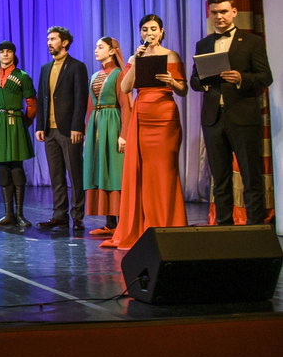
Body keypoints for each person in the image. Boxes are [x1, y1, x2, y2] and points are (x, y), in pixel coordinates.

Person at [103, 14, 189, 250]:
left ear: (161, 31)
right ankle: (143, 227)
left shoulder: (171, 55)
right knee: (141, 173)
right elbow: (125, 87)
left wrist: (172, 81)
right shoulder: (135, 57)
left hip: (165, 117)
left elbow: (183, 90)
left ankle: (167, 225)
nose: (149, 33)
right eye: (144, 29)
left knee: (164, 172)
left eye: (153, 29)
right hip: (142, 116)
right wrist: (136, 61)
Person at [190, 0, 274, 225]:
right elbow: (194, 81)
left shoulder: (252, 42)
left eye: (224, 11)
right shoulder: (203, 44)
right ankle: (224, 228)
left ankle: (255, 228)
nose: (219, 16)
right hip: (213, 119)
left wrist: (241, 78)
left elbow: (265, 77)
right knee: (220, 178)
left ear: (234, 12)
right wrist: (203, 81)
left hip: (243, 117)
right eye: (215, 12)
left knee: (251, 175)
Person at [35, 27, 90, 231]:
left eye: (53, 39)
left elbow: (80, 99)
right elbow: (42, 99)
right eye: (48, 39)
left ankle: (77, 216)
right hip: (49, 130)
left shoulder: (77, 67)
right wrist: (40, 126)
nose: (49, 42)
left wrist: (77, 127)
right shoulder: (45, 68)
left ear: (64, 43)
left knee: (75, 173)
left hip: (68, 129)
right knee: (56, 174)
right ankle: (59, 215)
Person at [0, 43, 37, 228]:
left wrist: (24, 122)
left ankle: (20, 215)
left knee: (16, 168)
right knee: (2, 169)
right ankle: (8, 214)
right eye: (1, 51)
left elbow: (32, 104)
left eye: (9, 51)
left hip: (16, 122)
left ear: (14, 54)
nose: (5, 54)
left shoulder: (22, 77)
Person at [84, 37, 129, 236]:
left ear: (112, 51)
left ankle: (121, 222)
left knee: (113, 170)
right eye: (95, 47)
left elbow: (126, 105)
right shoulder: (94, 76)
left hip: (113, 124)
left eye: (100, 47)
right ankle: (110, 223)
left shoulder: (119, 74)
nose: (96, 50)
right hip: (97, 125)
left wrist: (123, 134)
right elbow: (90, 106)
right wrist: (88, 132)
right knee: (101, 169)